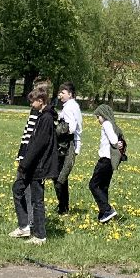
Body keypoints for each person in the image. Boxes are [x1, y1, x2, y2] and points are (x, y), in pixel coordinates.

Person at [9, 83, 59, 244]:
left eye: (32, 102)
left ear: (40, 100)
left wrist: (25, 163)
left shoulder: (46, 118)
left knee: (37, 200)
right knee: (17, 189)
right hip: (32, 165)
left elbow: (39, 144)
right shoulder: (41, 115)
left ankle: (40, 235)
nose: (31, 105)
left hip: (38, 166)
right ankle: (24, 226)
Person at [89, 104, 125, 224]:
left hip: (105, 160)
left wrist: (116, 143)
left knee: (93, 185)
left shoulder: (106, 124)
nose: (98, 119)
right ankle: (103, 215)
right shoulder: (113, 125)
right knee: (103, 187)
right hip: (110, 162)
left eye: (98, 117)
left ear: (103, 115)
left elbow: (113, 140)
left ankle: (107, 210)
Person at [54, 82, 83, 215]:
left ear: (70, 94)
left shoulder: (70, 107)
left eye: (63, 92)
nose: (60, 95)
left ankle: (63, 208)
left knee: (60, 177)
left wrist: (57, 128)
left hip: (66, 145)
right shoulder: (71, 106)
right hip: (66, 144)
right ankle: (63, 206)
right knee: (60, 177)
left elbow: (70, 128)